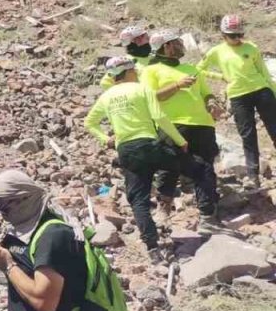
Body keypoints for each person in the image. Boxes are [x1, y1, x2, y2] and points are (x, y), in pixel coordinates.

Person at [83, 56, 205, 256]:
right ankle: (166, 199)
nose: (137, 72)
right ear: (129, 71)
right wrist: (180, 140)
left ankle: (152, 247)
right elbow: (159, 117)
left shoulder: (107, 96)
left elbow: (89, 122)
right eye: (134, 69)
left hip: (127, 150)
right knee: (178, 164)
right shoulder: (142, 89)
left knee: (138, 200)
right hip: (149, 144)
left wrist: (105, 139)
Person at [0, 170, 88, 311]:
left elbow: (44, 303)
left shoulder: (53, 235)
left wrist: (8, 265)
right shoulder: (23, 232)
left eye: (6, 207)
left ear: (26, 197)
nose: (4, 215)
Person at [140, 30, 221, 221]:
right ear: (166, 46)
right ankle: (163, 207)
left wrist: (211, 103)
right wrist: (177, 85)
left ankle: (207, 211)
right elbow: (150, 98)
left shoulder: (192, 69)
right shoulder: (151, 71)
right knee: (169, 165)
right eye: (176, 42)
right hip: (173, 124)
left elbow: (206, 93)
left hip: (203, 124)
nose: (181, 45)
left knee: (206, 166)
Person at [198, 14, 276, 188]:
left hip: (261, 91)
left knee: (274, 128)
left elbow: (264, 73)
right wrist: (220, 76)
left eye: (239, 35)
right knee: (248, 136)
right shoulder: (216, 51)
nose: (237, 39)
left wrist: (275, 92)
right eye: (232, 36)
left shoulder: (252, 48)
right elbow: (199, 70)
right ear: (223, 35)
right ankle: (253, 176)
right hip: (238, 96)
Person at [99, 24, 151, 89]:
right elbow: (105, 83)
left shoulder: (154, 57)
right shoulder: (123, 62)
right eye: (146, 38)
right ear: (137, 41)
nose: (149, 41)